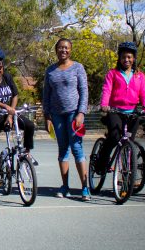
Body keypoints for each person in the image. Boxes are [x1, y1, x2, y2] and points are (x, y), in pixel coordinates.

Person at [0, 48, 36, 198]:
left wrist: (10, 113)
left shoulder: (8, 77)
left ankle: (27, 153)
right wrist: (5, 107)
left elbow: (15, 94)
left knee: (30, 125)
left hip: (7, 115)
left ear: (3, 66)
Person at [43, 38, 90, 201]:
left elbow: (84, 91)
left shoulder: (78, 68)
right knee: (62, 149)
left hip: (74, 114)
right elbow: (46, 95)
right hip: (57, 115)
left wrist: (81, 113)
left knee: (76, 148)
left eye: (66, 48)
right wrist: (46, 115)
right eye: (60, 48)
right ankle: (65, 186)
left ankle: (85, 187)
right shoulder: (50, 70)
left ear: (70, 50)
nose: (63, 50)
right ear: (56, 50)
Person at [97, 42, 145, 175]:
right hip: (115, 111)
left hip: (132, 113)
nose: (126, 60)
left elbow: (144, 93)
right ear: (119, 58)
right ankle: (101, 162)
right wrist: (104, 105)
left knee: (129, 142)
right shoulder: (113, 73)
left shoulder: (140, 76)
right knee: (115, 137)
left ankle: (128, 173)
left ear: (134, 59)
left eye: (129, 57)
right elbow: (107, 90)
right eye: (123, 57)